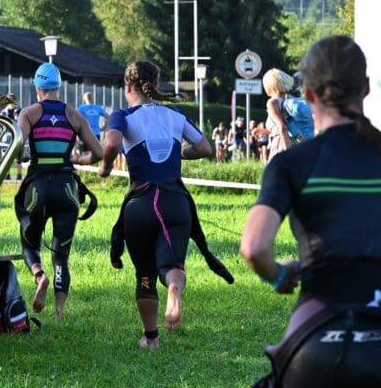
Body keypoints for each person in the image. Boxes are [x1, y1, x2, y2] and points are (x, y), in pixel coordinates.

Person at [240, 35, 381, 386]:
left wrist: (278, 275)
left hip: (314, 339)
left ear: (308, 94)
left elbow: (254, 248)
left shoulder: (291, 163)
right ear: (365, 88)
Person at [99, 61, 214, 351]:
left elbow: (111, 143)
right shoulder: (174, 115)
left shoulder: (122, 116)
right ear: (155, 84)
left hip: (140, 204)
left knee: (145, 274)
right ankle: (174, 290)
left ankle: (151, 337)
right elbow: (205, 148)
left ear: (127, 87)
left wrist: (105, 167)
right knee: (172, 263)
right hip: (175, 201)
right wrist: (180, 154)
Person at [15, 63, 102, 320]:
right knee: (61, 254)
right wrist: (78, 161)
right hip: (66, 189)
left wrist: (26, 154)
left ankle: (39, 275)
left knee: (29, 243)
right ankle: (60, 311)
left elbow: (18, 149)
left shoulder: (29, 113)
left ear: (37, 87)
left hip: (37, 187)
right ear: (58, 86)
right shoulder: (75, 116)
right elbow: (98, 153)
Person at [263, 68, 294, 160]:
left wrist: (287, 154)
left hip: (281, 144)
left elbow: (282, 128)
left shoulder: (273, 102)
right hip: (298, 143)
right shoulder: (293, 100)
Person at [0, 93, 23, 180]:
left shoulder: (19, 111)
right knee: (6, 155)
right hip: (6, 135)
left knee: (18, 156)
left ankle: (19, 174)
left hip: (17, 135)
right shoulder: (3, 112)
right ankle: (7, 174)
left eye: (12, 100)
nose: (11, 102)